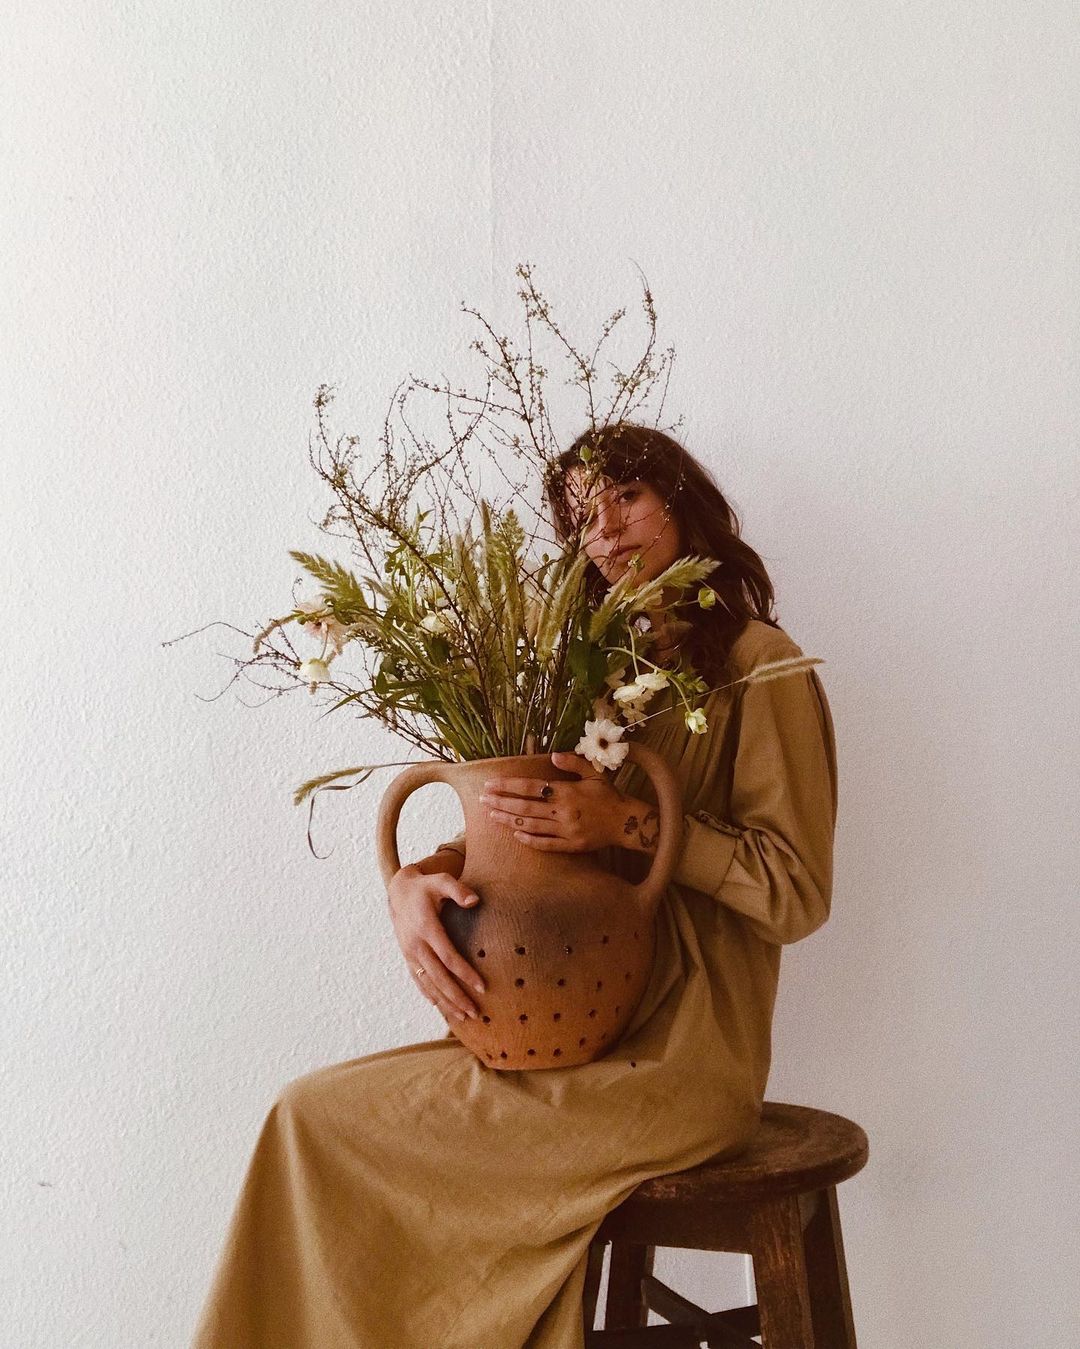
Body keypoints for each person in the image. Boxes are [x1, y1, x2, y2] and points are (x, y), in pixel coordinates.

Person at [190, 422, 839, 1348]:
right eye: (582, 517)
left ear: (681, 500)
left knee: (332, 1130)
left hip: (682, 1062)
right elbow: (523, 827)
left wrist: (631, 825)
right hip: (567, 1028)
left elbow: (797, 891)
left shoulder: (758, 664)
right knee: (306, 1116)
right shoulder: (601, 678)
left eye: (626, 498)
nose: (606, 531)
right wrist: (415, 881)